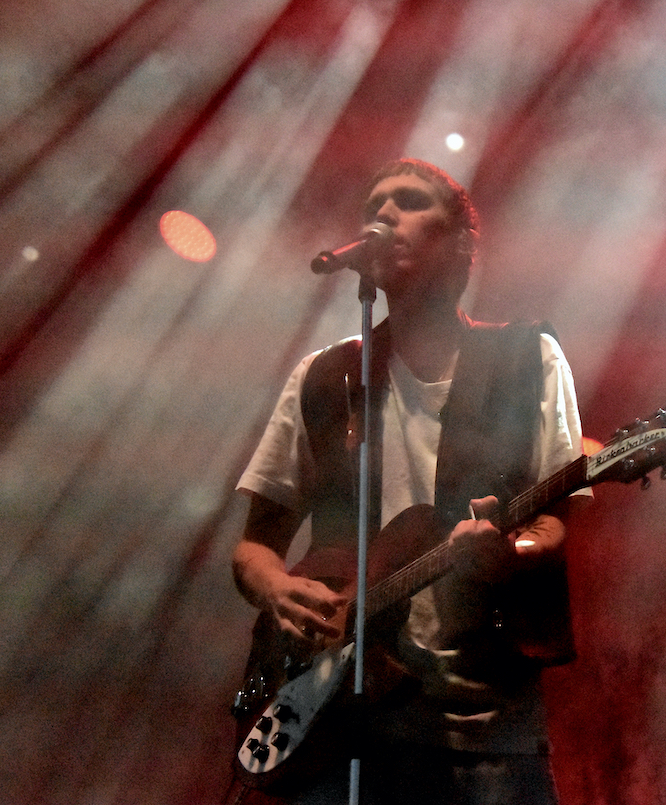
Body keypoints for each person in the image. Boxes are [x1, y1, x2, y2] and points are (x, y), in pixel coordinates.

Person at [231, 158, 590, 804]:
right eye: (374, 203)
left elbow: (555, 522)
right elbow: (253, 547)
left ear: (459, 242)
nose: (383, 214)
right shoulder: (325, 378)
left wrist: (509, 553)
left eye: (408, 201)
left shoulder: (526, 359)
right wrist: (280, 589)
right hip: (336, 729)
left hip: (482, 733)